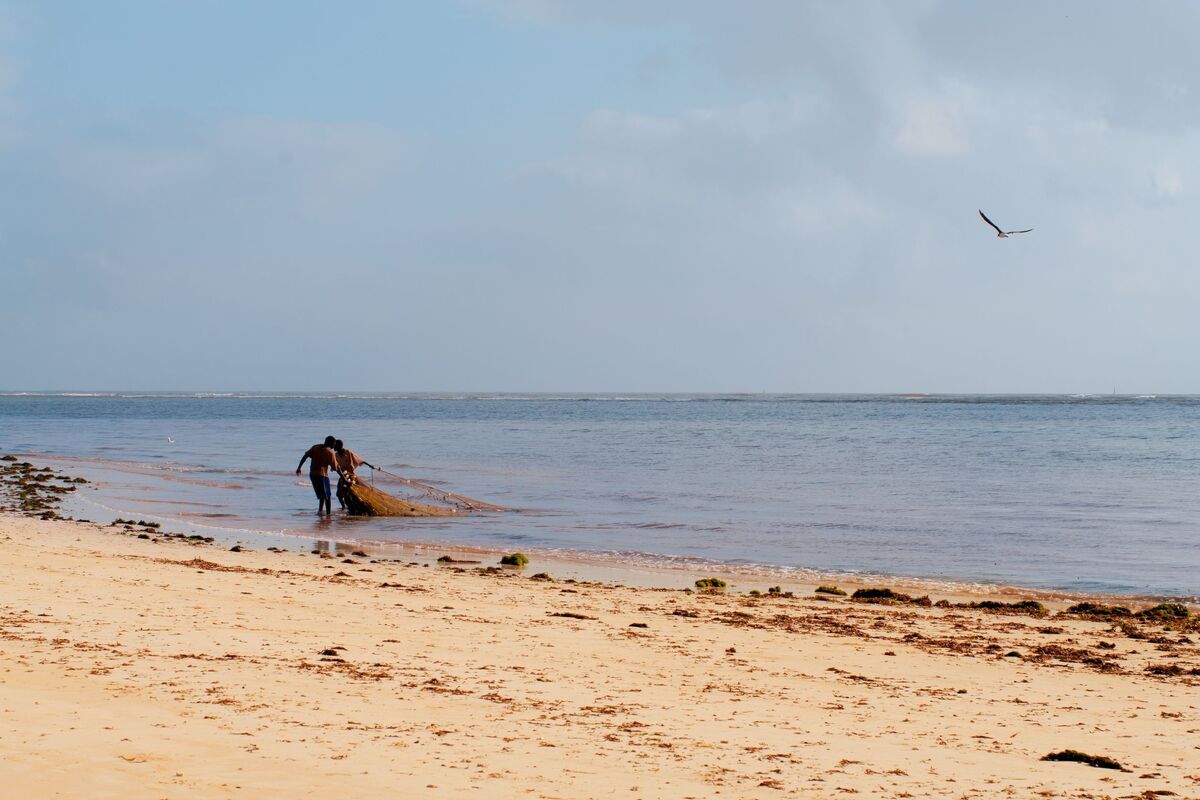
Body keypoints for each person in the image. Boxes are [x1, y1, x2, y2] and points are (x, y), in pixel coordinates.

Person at [296, 436, 342, 515]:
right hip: (322, 475)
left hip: (313, 475)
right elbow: (336, 467)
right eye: (334, 444)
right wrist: (343, 476)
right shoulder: (330, 452)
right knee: (328, 496)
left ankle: (320, 511)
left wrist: (299, 468)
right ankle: (328, 514)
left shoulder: (315, 447)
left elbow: (305, 456)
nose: (334, 446)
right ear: (330, 443)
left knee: (322, 495)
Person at [333, 439, 376, 509]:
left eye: (335, 445)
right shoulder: (335, 455)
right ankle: (343, 507)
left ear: (339, 446)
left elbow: (359, 460)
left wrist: (369, 465)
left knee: (351, 493)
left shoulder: (348, 452)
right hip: (343, 476)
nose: (333, 447)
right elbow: (333, 465)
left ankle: (356, 506)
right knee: (339, 495)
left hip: (351, 476)